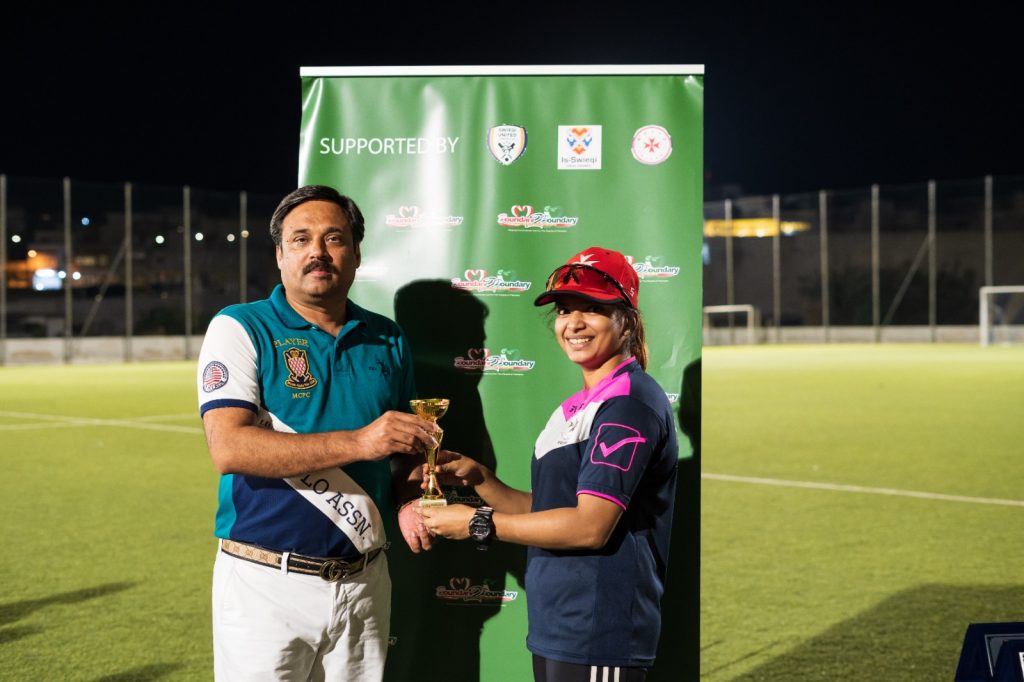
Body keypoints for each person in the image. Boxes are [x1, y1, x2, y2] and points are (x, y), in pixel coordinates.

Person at [196, 185, 438, 681]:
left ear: (356, 254)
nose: (318, 252)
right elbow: (229, 447)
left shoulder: (387, 336)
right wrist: (361, 442)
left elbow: (405, 448)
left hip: (364, 579)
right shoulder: (240, 326)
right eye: (301, 239)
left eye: (334, 238)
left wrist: (411, 497)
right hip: (266, 582)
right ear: (280, 255)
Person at [420, 246, 679, 682]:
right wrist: (480, 479)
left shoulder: (628, 404)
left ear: (627, 321)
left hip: (599, 630)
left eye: (592, 308)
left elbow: (589, 526)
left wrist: (477, 523)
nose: (573, 323)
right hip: (562, 627)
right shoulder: (578, 406)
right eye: (563, 310)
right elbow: (552, 508)